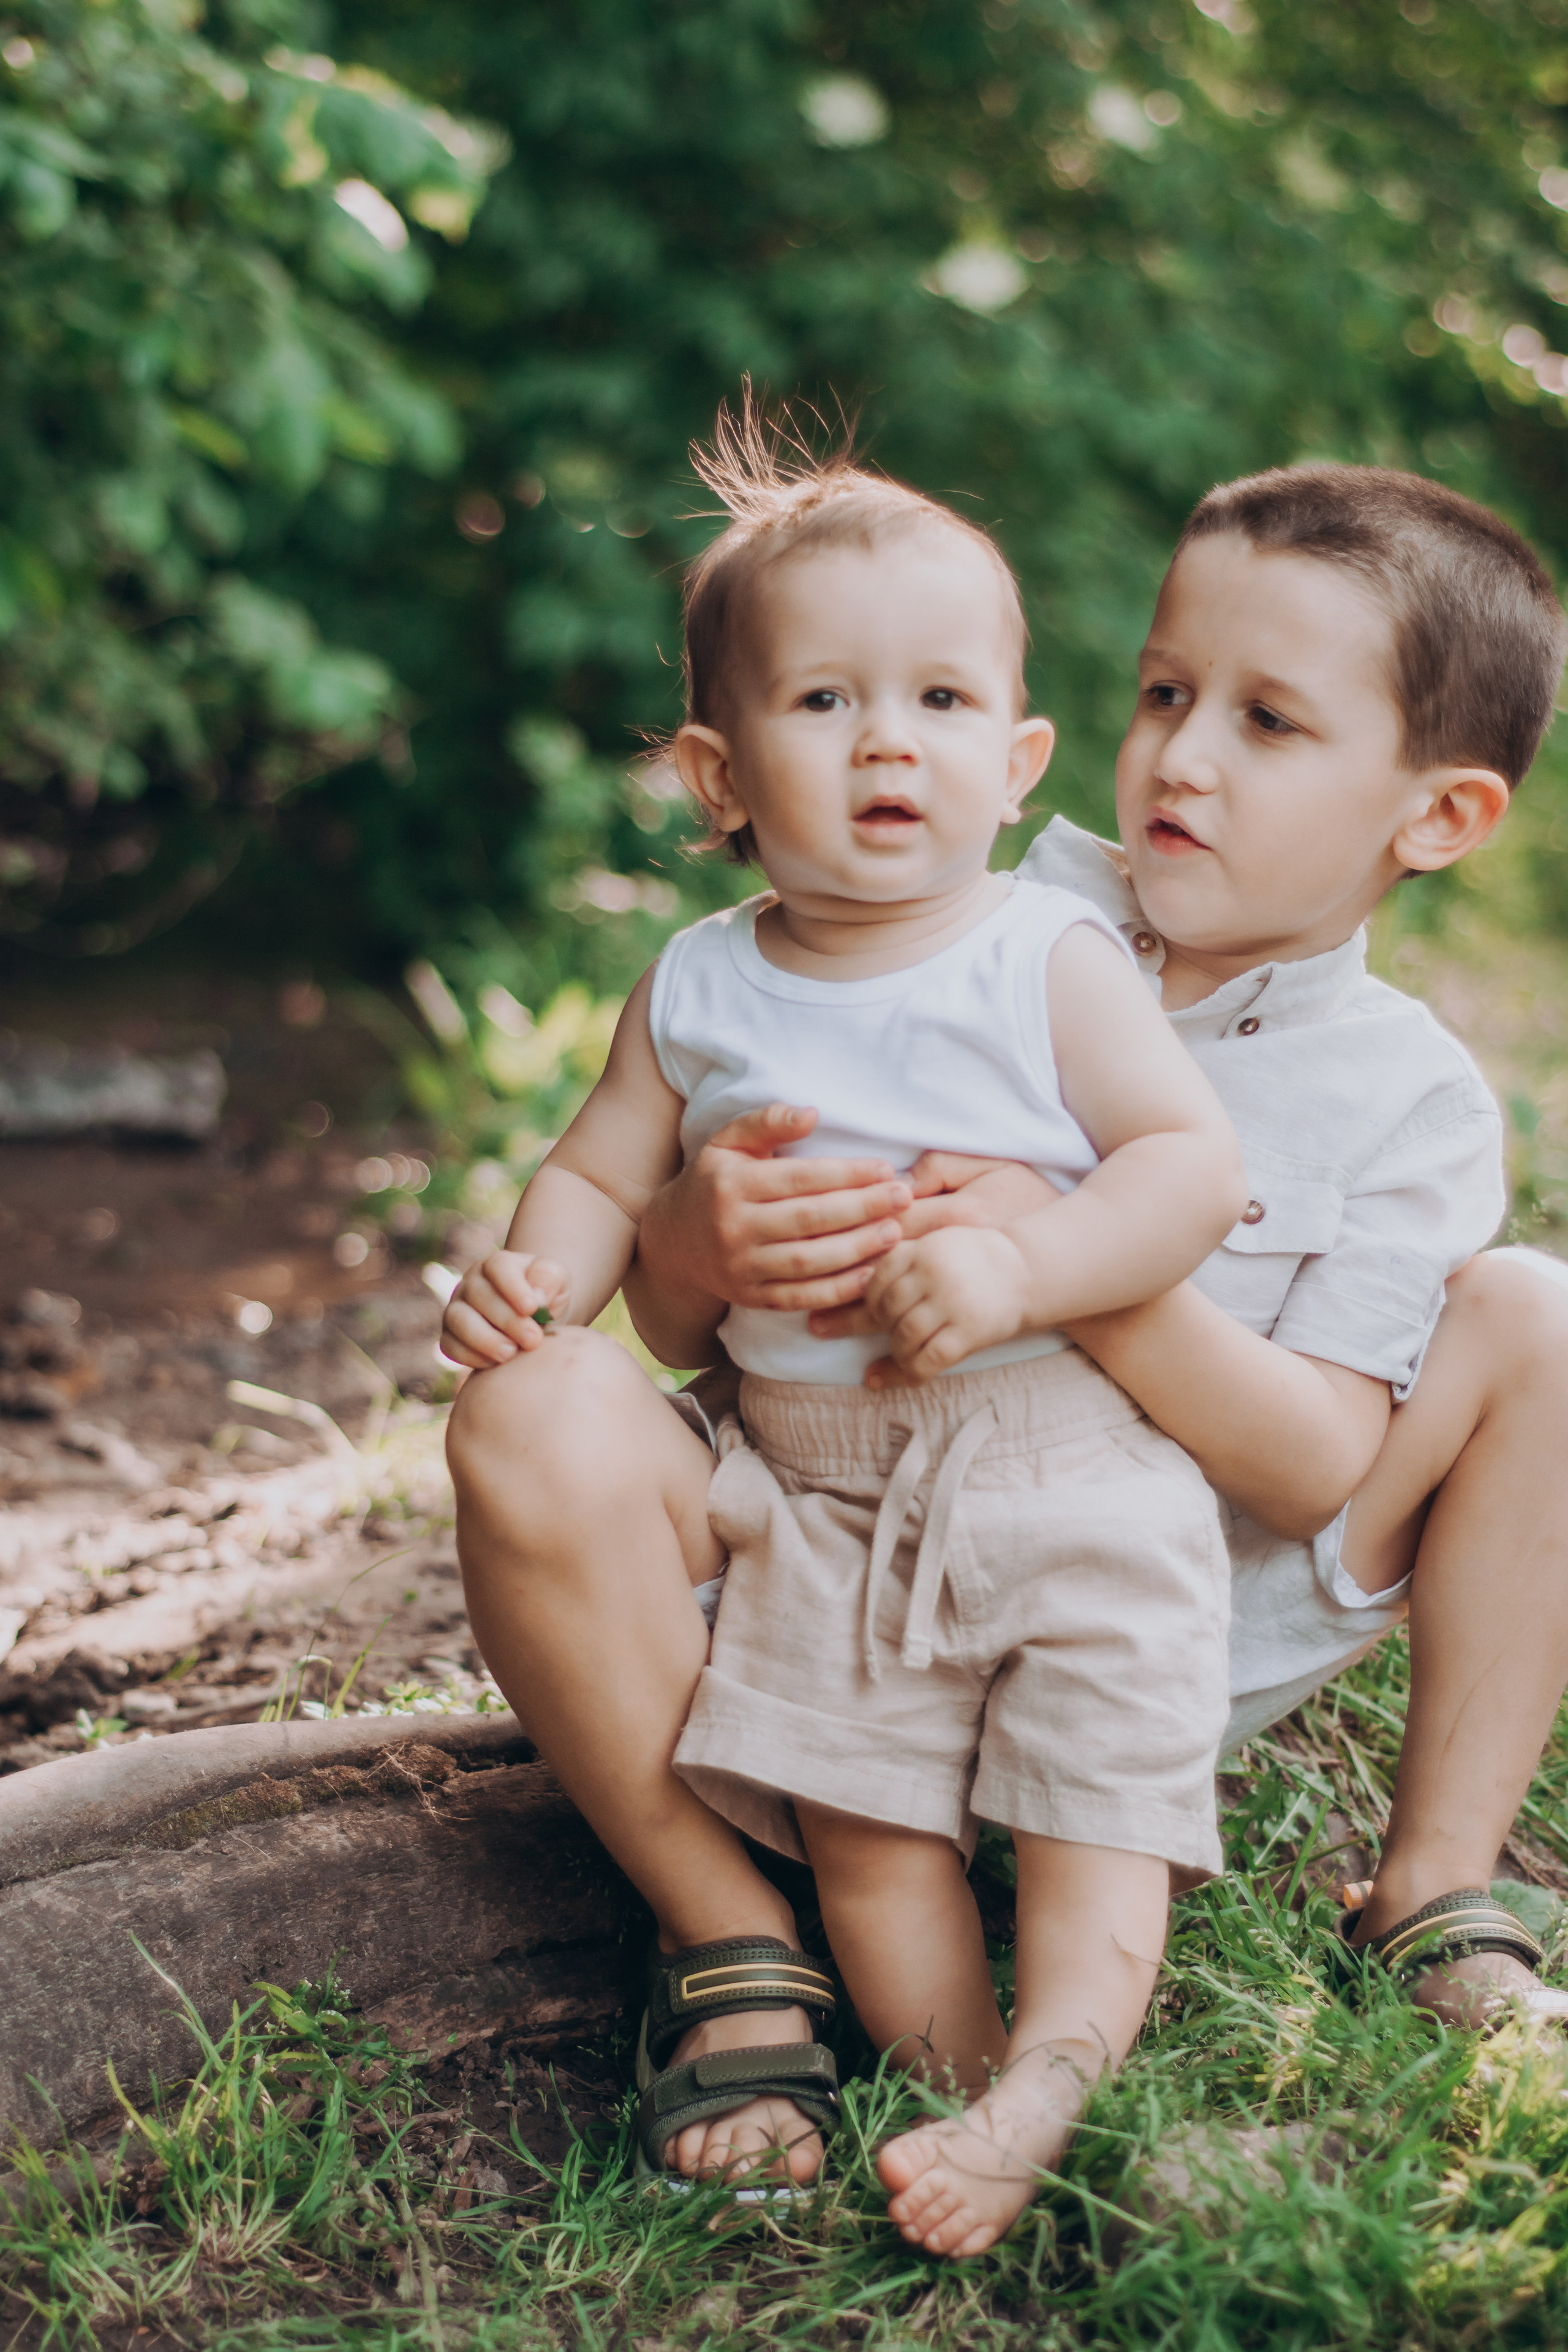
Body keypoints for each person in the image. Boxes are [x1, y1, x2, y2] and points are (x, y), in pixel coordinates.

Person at [447, 456, 1568, 2255]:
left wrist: (1079, 1272)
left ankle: (1436, 1876)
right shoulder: (942, 890)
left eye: (1270, 723)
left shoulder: (1406, 1096)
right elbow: (665, 1310)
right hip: (836, 1557)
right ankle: (726, 1928)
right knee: (537, 1405)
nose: (1183, 757)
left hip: (1146, 1604)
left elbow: (1307, 1477)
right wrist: (670, 1245)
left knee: (1543, 1314)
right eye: (1165, 691)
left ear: (1433, 818)